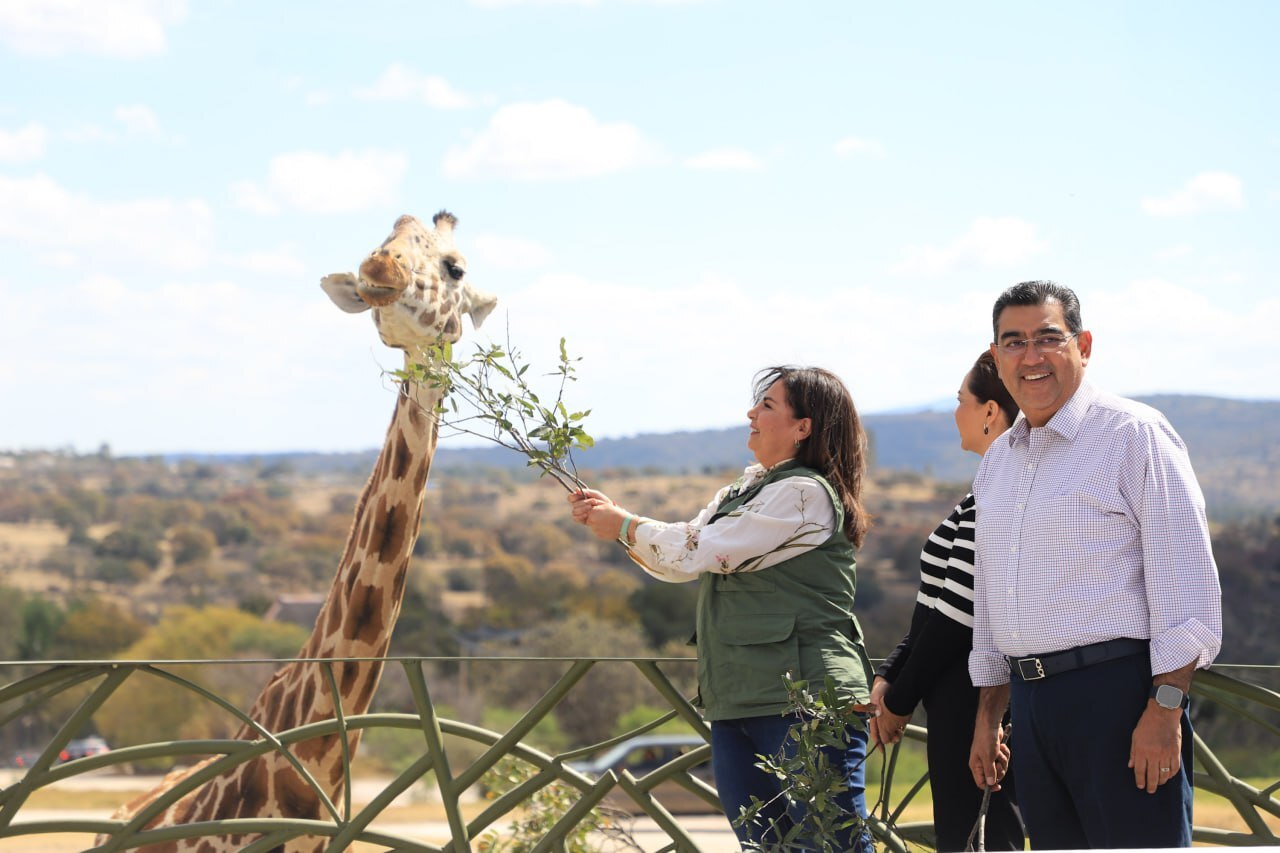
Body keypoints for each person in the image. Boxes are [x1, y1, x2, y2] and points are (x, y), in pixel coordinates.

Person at [569, 366, 875, 852]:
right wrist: (622, 527)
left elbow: (698, 550)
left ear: (804, 427)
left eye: (768, 405)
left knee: (828, 845)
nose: (751, 413)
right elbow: (683, 559)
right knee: (765, 846)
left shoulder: (804, 493)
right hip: (740, 697)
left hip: (805, 702)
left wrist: (626, 525)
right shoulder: (749, 487)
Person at [967, 280, 1222, 849]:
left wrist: (1165, 711)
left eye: (1047, 338)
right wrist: (988, 717)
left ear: (1083, 344)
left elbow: (1185, 580)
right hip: (1029, 708)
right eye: (1013, 342)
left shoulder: (1135, 434)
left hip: (1119, 699)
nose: (1030, 357)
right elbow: (990, 601)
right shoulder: (998, 463)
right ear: (995, 358)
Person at [869, 351, 1025, 852]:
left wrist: (897, 700)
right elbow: (933, 606)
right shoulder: (987, 486)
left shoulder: (1003, 489)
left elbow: (958, 615)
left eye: (961, 401)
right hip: (956, 695)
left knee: (978, 836)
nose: (954, 412)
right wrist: (893, 672)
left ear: (990, 412)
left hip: (973, 700)